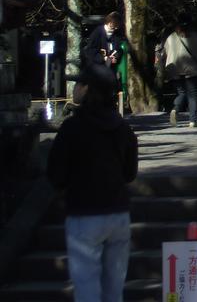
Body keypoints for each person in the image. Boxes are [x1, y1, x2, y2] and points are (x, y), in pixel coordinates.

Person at [47, 64, 138, 302]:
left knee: (87, 286)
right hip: (118, 212)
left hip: (83, 212)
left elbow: (56, 174)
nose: (75, 88)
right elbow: (130, 173)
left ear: (88, 89)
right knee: (114, 288)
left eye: (78, 84)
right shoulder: (123, 128)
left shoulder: (72, 127)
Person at [161, 13, 197, 128]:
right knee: (192, 94)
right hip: (191, 68)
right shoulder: (193, 36)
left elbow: (165, 52)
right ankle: (192, 121)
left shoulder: (171, 37)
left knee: (181, 92)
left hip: (174, 69)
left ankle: (175, 109)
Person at [83, 12, 128, 103]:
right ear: (108, 23)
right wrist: (103, 58)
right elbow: (90, 51)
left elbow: (119, 50)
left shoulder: (116, 35)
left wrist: (115, 57)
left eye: (116, 27)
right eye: (113, 26)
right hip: (97, 69)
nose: (114, 29)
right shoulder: (97, 33)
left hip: (110, 70)